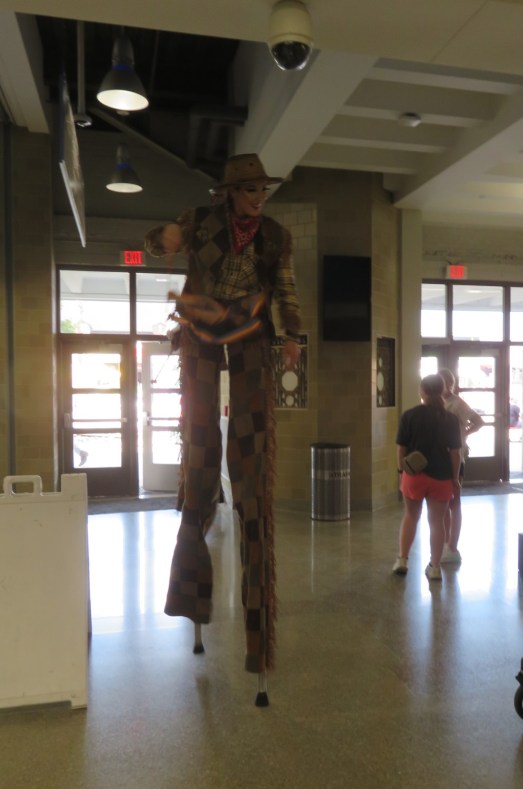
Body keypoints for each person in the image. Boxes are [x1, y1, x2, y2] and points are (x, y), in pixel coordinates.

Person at [144, 154, 301, 680]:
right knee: (202, 445)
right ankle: (193, 566)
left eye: (264, 188)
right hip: (201, 331)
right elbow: (155, 241)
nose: (259, 196)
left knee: (252, 460)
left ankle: (258, 637)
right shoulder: (204, 222)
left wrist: (293, 336)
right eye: (251, 188)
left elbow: (285, 287)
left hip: (251, 333)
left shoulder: (275, 236)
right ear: (231, 192)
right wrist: (165, 238)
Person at [393, 374, 462, 581]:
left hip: (414, 474)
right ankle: (434, 567)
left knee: (411, 516)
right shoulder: (450, 419)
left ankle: (402, 560)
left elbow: (401, 449)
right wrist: (455, 478)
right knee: (437, 521)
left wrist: (401, 472)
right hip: (441, 477)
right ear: (442, 391)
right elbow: (455, 453)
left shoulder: (410, 415)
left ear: (422, 391)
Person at [438, 367, 485, 564]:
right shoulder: (436, 403)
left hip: (457, 454)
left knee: (454, 501)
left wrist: (464, 434)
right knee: (443, 503)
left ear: (449, 383)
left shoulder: (457, 403)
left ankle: (452, 545)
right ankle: (445, 542)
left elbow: (478, 421)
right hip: (440, 456)